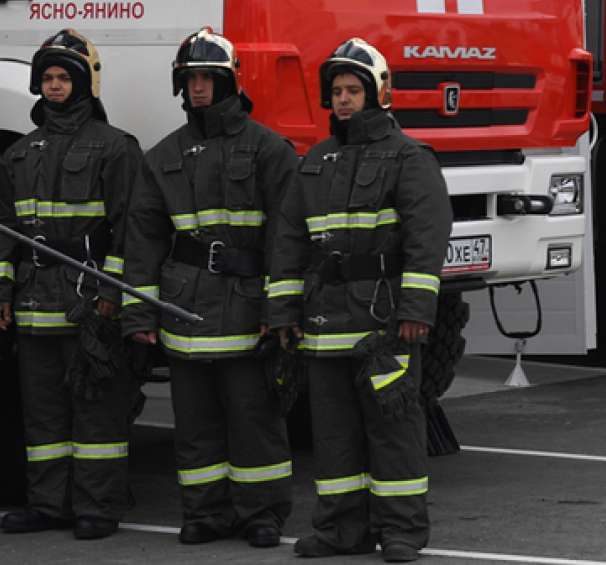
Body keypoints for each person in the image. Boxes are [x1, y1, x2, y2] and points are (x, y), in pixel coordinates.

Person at [268, 39, 452, 562]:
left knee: (393, 429)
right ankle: (340, 531)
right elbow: (289, 240)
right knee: (334, 437)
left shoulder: (408, 157)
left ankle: (401, 532)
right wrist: (283, 311)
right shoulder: (315, 162)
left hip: (385, 325)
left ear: (378, 93)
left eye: (353, 90)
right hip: (325, 324)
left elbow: (428, 235)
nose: (343, 99)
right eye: (336, 91)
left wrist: (416, 310)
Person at [122, 28, 299, 546]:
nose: (197, 87)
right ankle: (206, 513)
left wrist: (281, 308)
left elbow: (287, 239)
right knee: (195, 426)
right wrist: (138, 315)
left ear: (228, 82)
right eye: (190, 79)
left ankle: (261, 514)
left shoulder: (269, 149)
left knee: (253, 420)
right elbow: (143, 241)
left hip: (246, 310)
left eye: (207, 78)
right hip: (182, 312)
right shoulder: (162, 156)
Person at [0, 29, 141, 539]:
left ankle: (98, 508)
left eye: (64, 78)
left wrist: (112, 295)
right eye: (48, 79)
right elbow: (6, 233)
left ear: (85, 85)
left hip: (88, 305)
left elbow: (130, 230)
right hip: (34, 303)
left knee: (97, 412)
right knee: (43, 415)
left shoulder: (115, 148)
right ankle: (48, 504)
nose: (54, 86)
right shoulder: (19, 153)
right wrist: (3, 291)